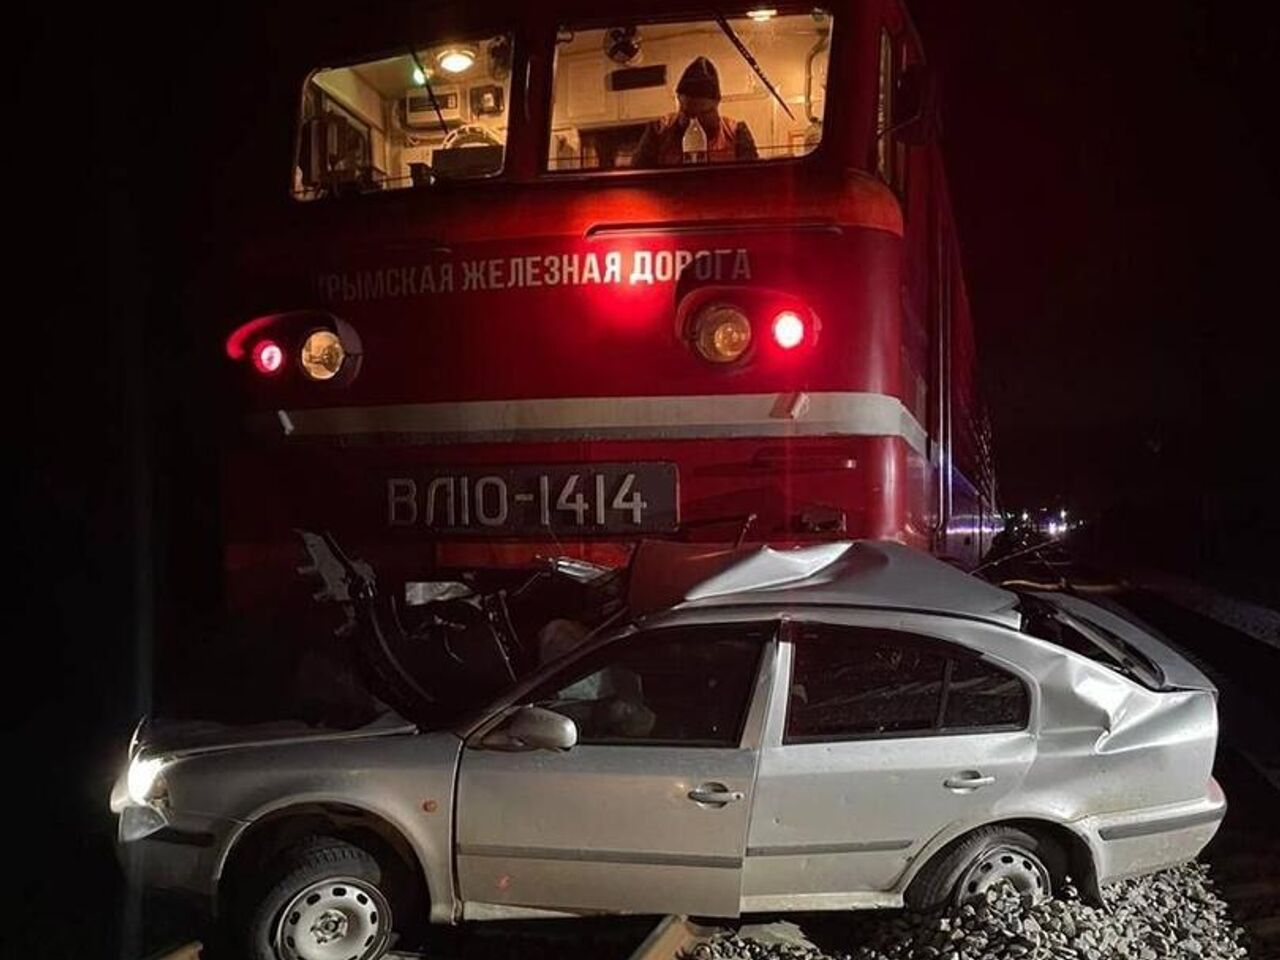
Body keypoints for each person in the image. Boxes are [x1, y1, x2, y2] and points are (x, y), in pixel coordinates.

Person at [631, 56, 759, 168]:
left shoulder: (736, 132)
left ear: (717, 104)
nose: (696, 122)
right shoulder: (658, 131)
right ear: (679, 102)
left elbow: (752, 180)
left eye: (704, 113)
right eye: (688, 113)